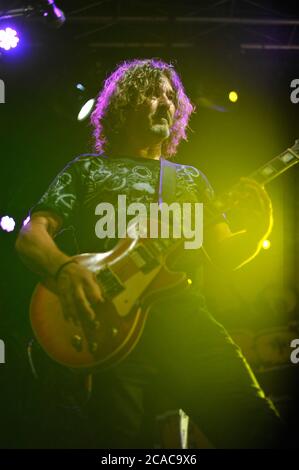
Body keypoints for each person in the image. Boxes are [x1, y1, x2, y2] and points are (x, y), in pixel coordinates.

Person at [16, 58, 284, 449]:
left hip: (185, 322)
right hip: (108, 326)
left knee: (258, 429)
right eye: (151, 93)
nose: (164, 102)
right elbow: (31, 234)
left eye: (170, 96)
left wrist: (259, 229)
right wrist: (63, 270)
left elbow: (224, 257)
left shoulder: (190, 180)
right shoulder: (88, 170)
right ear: (124, 103)